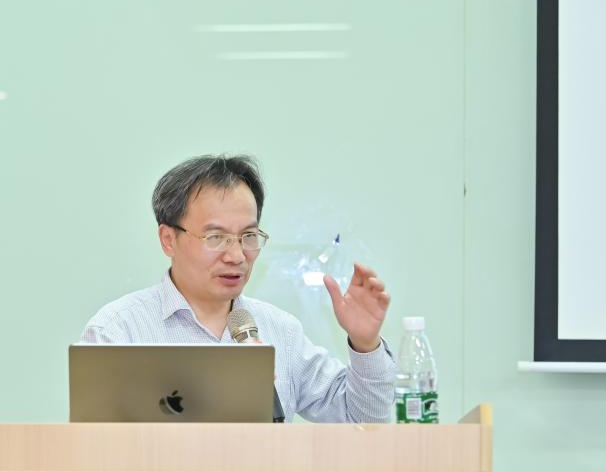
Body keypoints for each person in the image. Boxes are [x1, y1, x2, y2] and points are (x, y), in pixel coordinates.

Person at [80, 154, 396, 423]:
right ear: (168, 239)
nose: (236, 256)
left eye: (248, 236)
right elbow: (92, 450)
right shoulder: (119, 331)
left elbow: (363, 421)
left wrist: (365, 343)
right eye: (216, 237)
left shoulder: (280, 331)